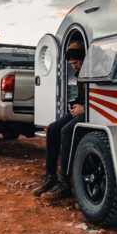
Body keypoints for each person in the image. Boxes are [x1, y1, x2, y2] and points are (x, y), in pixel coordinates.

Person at [35, 39, 86, 198]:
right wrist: (76, 104)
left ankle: (64, 181)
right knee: (52, 129)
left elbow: (103, 98)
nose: (73, 66)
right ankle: (50, 175)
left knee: (66, 131)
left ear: (84, 59)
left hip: (93, 113)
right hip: (82, 110)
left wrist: (84, 107)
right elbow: (82, 97)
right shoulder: (80, 75)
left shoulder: (93, 72)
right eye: (70, 63)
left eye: (75, 62)